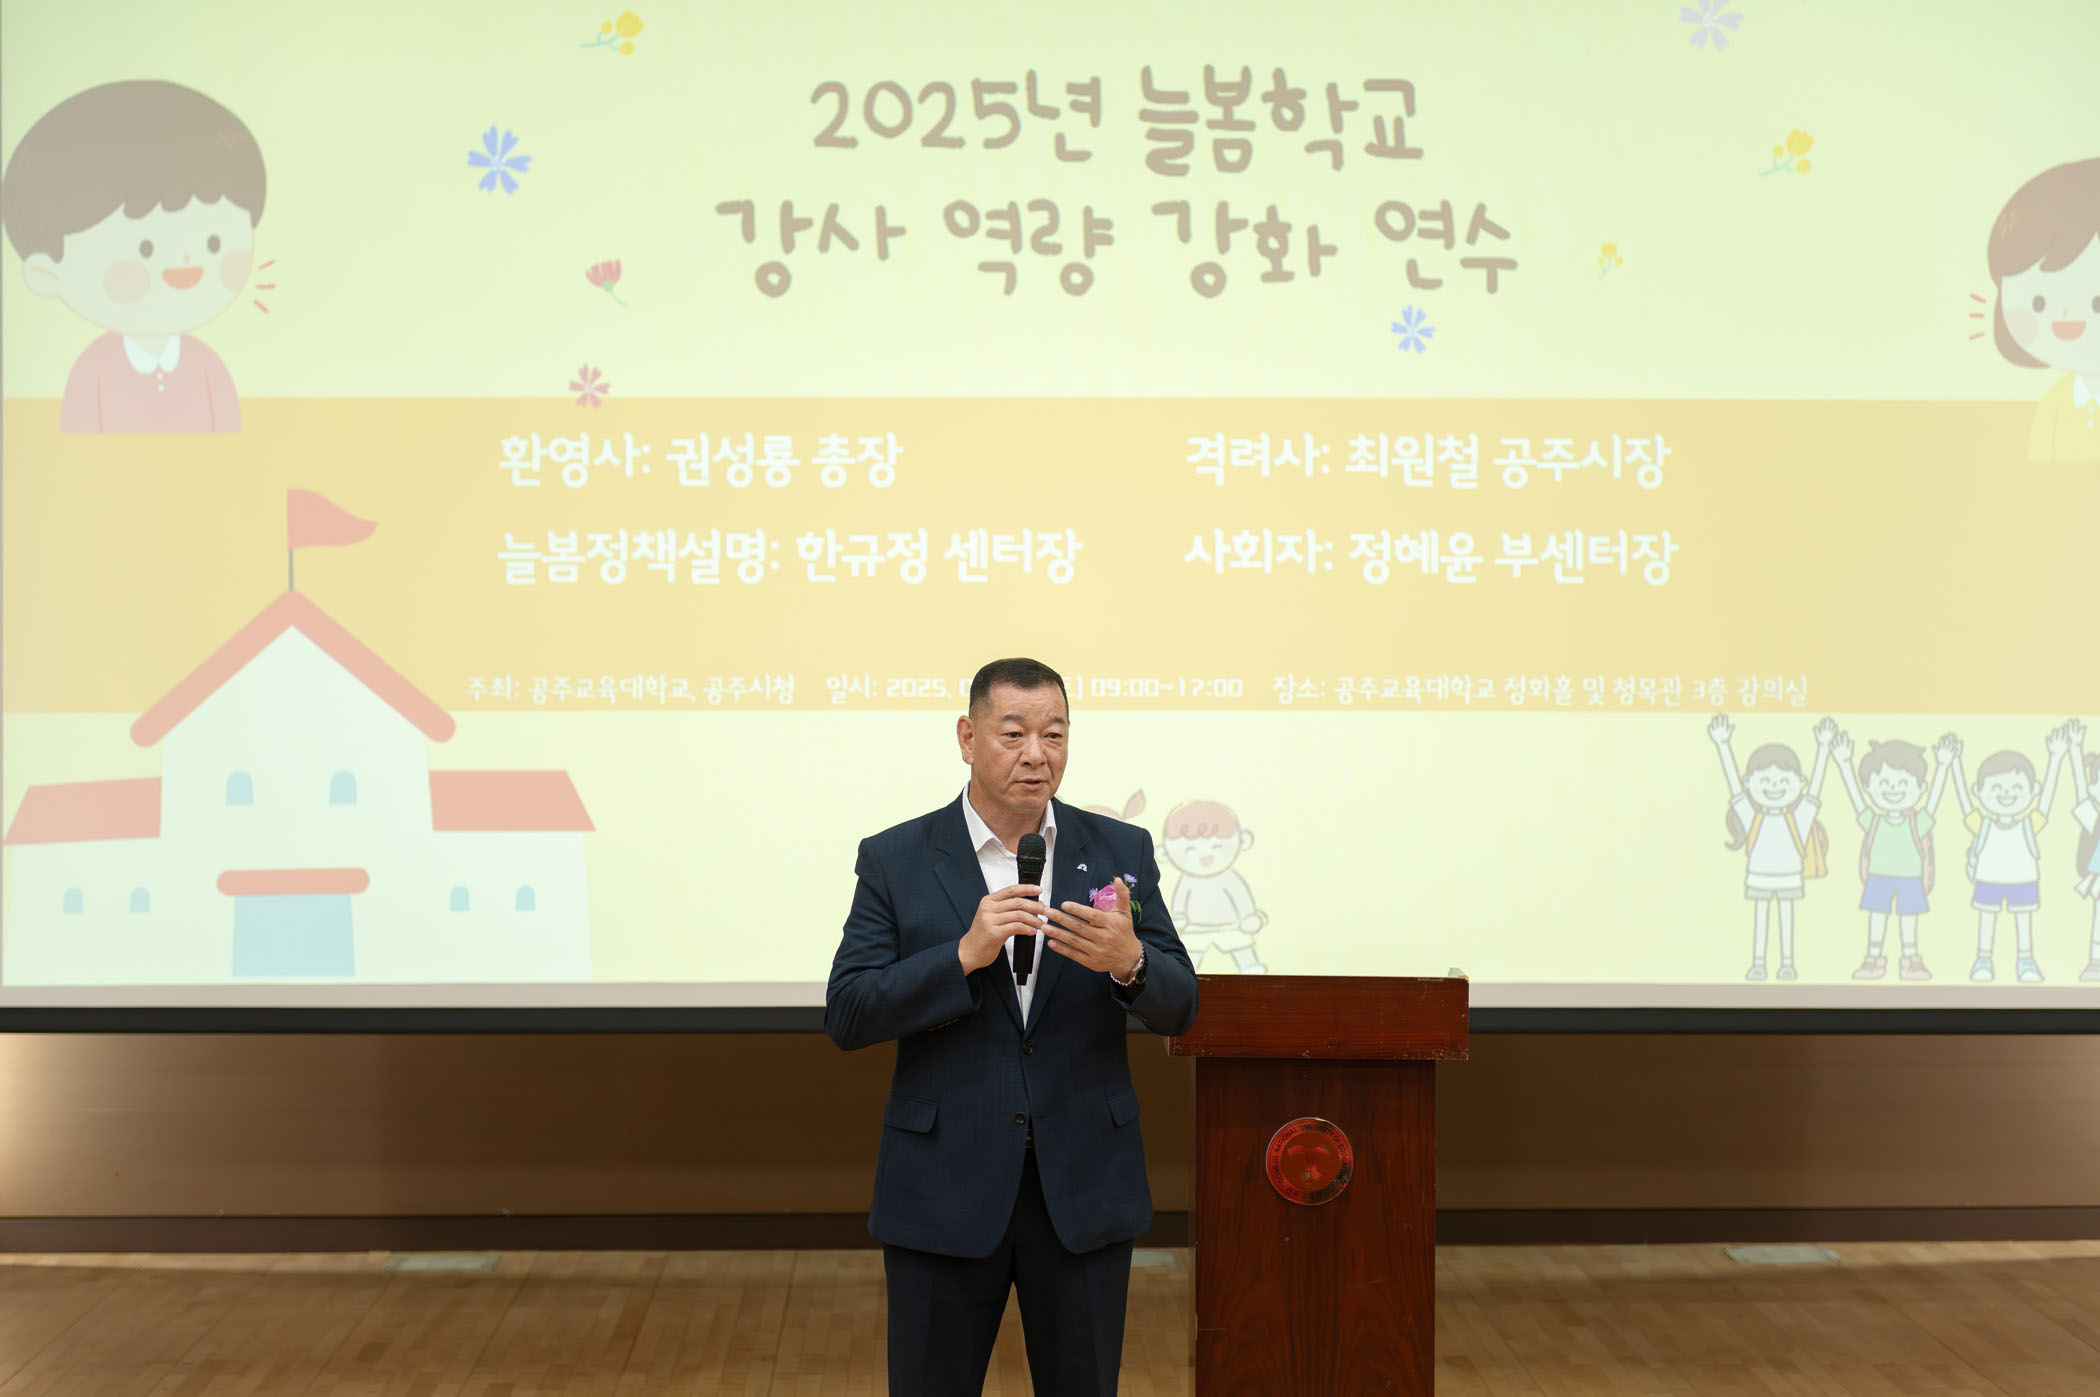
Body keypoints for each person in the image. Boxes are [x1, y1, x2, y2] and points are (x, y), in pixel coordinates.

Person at [826, 657, 1198, 1396]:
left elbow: (1182, 1002)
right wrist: (961, 956)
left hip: (1083, 1185)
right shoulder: (897, 858)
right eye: (1014, 733)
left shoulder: (1118, 851)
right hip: (944, 1186)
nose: (1037, 754)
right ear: (968, 738)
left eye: (1054, 734)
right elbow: (850, 1010)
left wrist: (1130, 964)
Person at [1, 80, 263, 433]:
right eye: (146, 249)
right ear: (47, 274)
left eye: (213, 243)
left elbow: (230, 438)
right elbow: (79, 444)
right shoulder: (93, 371)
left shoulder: (207, 366)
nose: (185, 263)